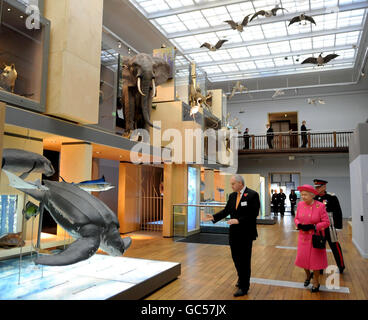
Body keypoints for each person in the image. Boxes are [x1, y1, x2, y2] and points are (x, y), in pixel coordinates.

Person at [202, 175, 260, 297]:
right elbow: (226, 210)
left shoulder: (252, 195)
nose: (231, 186)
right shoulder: (233, 195)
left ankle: (244, 287)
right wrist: (214, 217)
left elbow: (253, 214)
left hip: (246, 233)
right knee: (236, 257)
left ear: (240, 183)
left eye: (233, 183)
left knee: (244, 260)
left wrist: (238, 220)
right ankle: (241, 277)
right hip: (234, 233)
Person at [294, 185, 330, 293]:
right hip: (303, 237)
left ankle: (316, 281)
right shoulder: (300, 205)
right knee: (303, 259)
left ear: (312, 195)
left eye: (305, 195)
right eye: (302, 195)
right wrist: (299, 224)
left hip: (315, 237)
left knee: (316, 262)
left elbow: (326, 222)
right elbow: (296, 218)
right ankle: (308, 275)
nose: (303, 197)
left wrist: (314, 226)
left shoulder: (320, 206)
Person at [313, 179, 345, 274]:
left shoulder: (331, 197)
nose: (317, 189)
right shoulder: (314, 198)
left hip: (330, 226)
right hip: (319, 226)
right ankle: (320, 267)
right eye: (316, 187)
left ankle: (341, 266)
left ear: (324, 187)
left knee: (334, 246)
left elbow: (338, 211)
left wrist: (337, 225)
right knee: (319, 247)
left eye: (319, 187)